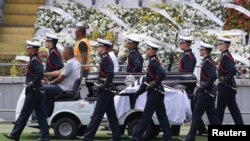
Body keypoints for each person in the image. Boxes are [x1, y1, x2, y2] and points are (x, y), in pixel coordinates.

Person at [4, 41, 49, 141]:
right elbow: (37, 72)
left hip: (33, 91)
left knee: (24, 114)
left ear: (33, 50)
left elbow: (40, 73)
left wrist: (33, 82)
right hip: (37, 91)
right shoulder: (34, 59)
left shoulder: (34, 60)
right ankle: (45, 136)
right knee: (41, 115)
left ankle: (15, 135)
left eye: (28, 48)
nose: (26, 50)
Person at [131, 41, 172, 141]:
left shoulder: (153, 62)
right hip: (157, 92)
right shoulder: (153, 61)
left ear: (152, 51)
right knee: (161, 115)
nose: (146, 51)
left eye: (148, 49)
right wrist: (141, 91)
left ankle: (136, 136)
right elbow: (148, 78)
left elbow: (162, 74)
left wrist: (155, 84)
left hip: (155, 92)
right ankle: (167, 136)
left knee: (147, 114)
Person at [83, 39, 121, 141]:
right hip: (107, 90)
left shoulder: (105, 59)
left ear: (103, 48)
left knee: (97, 115)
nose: (98, 49)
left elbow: (110, 73)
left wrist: (104, 85)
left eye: (99, 47)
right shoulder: (106, 58)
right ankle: (116, 136)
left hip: (105, 91)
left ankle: (88, 137)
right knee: (111, 115)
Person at [183, 42, 219, 141]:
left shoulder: (207, 62)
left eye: (201, 50)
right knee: (212, 116)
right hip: (209, 92)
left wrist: (204, 86)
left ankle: (190, 137)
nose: (199, 51)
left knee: (196, 114)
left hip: (206, 92)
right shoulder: (208, 61)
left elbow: (213, 76)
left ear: (204, 51)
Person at [175, 35, 207, 136]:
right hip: (186, 83)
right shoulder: (188, 55)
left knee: (190, 107)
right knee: (192, 108)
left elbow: (187, 73)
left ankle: (200, 129)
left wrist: (181, 83)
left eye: (181, 43)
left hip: (186, 84)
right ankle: (202, 129)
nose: (180, 45)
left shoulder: (188, 56)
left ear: (185, 44)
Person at [43, 47, 81, 117]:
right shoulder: (76, 62)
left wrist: (49, 83)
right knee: (49, 90)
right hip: (68, 87)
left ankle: (44, 115)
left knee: (44, 89)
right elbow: (58, 72)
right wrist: (45, 74)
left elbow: (60, 79)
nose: (62, 55)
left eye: (63, 53)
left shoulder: (70, 63)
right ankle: (48, 113)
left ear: (67, 53)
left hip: (64, 88)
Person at [216, 37, 244, 125]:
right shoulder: (226, 55)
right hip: (229, 87)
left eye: (220, 44)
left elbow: (233, 70)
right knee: (234, 110)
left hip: (225, 88)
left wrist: (224, 80)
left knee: (219, 110)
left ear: (224, 45)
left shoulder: (225, 57)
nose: (218, 45)